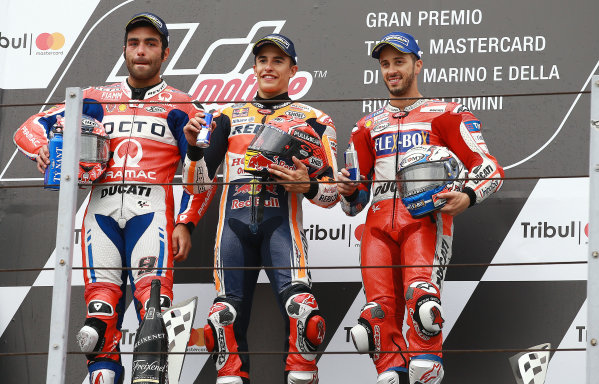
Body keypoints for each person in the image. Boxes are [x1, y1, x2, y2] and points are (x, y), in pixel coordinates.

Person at [13, 12, 210, 384]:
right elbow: (28, 129)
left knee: (155, 319)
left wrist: (187, 222)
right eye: (134, 43)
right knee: (97, 326)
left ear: (165, 53)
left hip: (152, 216)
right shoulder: (93, 98)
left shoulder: (182, 105)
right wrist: (43, 148)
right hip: (99, 212)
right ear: (123, 50)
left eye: (151, 43)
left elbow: (201, 178)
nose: (141, 51)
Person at [336, 32, 504, 384]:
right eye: (385, 64)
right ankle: (390, 373)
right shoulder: (365, 127)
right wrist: (348, 190)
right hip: (376, 227)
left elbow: (489, 167)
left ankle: (427, 367)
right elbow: (354, 205)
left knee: (422, 304)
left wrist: (468, 196)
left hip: (425, 222)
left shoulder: (446, 114)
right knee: (376, 318)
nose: (392, 70)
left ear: (418, 64)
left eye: (399, 61)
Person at [182, 33, 339, 384]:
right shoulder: (226, 115)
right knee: (224, 320)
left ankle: (301, 376)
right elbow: (196, 186)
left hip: (281, 226)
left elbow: (332, 196)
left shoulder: (315, 119)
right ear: (254, 67)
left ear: (292, 70)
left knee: (304, 316)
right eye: (263, 60)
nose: (269, 67)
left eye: (278, 61)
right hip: (232, 229)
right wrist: (192, 150)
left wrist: (308, 186)